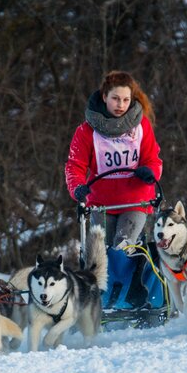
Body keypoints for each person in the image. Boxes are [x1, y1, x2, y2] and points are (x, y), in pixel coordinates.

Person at [65, 70, 163, 249]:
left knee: (122, 246)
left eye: (126, 100)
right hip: (102, 203)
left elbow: (153, 159)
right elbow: (75, 166)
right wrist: (77, 187)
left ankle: (131, 266)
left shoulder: (142, 126)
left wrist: (150, 172)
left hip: (136, 201)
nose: (121, 105)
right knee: (105, 253)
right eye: (115, 99)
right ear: (104, 97)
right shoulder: (86, 131)